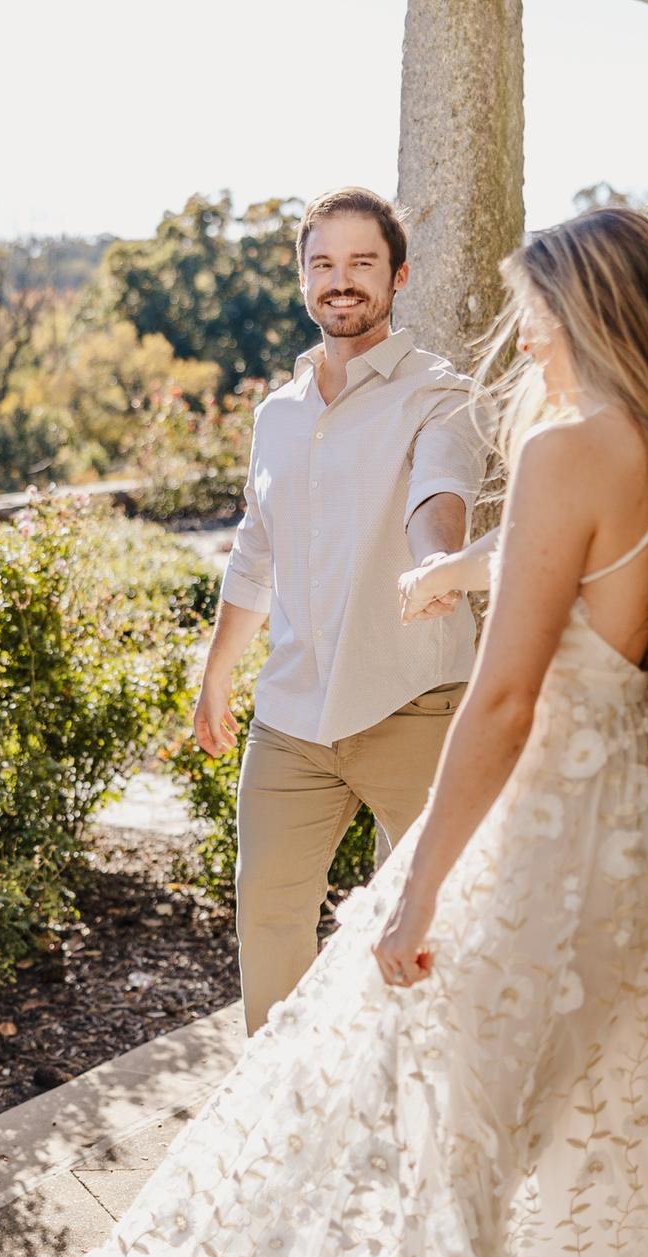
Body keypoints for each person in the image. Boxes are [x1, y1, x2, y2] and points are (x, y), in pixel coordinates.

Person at [42, 207, 648, 1257]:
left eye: (535, 311)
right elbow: (584, 577)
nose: (523, 336)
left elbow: (504, 696)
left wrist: (419, 886)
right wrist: (456, 575)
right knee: (621, 1136)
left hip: (550, 838)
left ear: (591, 311)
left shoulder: (563, 447)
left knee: (449, 1134)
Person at [194, 186, 489, 1035]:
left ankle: (428, 1094)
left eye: (362, 262)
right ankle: (278, 1102)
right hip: (291, 717)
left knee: (436, 928)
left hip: (415, 704)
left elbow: (440, 492)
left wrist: (436, 564)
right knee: (268, 918)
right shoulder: (277, 416)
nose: (342, 281)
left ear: (399, 276)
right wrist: (217, 673)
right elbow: (256, 550)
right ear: (303, 280)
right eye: (323, 264)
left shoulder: (440, 394)